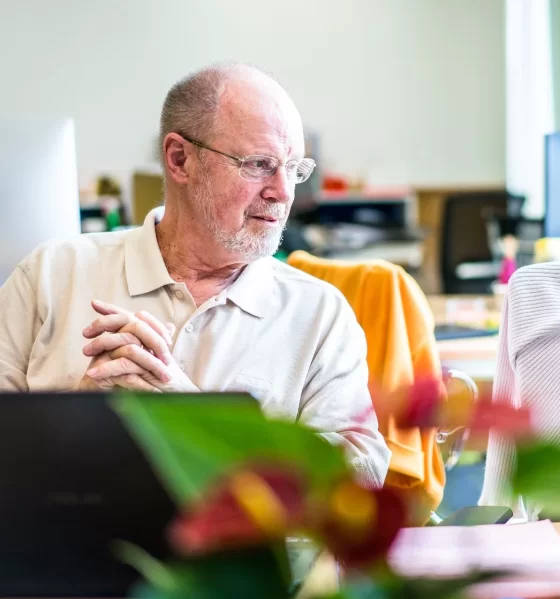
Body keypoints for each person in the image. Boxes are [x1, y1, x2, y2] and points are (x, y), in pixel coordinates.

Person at [0, 62, 390, 487]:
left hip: (237, 553)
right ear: (180, 159)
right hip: (63, 548)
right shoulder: (50, 274)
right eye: (259, 164)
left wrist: (196, 421)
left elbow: (362, 477)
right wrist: (79, 417)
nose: (283, 192)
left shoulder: (318, 313)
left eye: (294, 168)